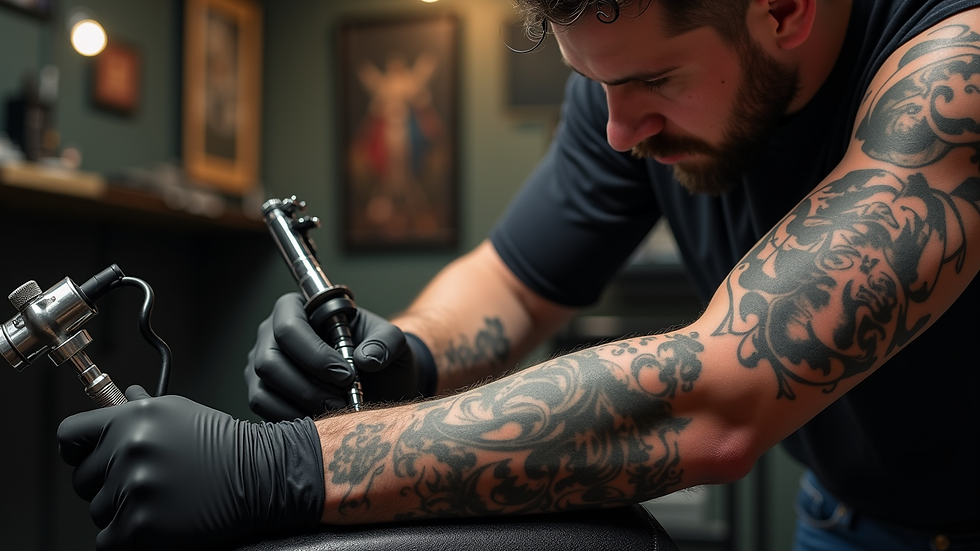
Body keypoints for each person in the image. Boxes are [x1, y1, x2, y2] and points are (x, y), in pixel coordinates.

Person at [56, 1, 980, 550]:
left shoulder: (958, 68)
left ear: (783, 7)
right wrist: (408, 352)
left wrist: (281, 467)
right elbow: (509, 283)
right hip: (853, 514)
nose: (620, 132)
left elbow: (716, 398)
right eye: (600, 89)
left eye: (653, 84)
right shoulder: (628, 78)